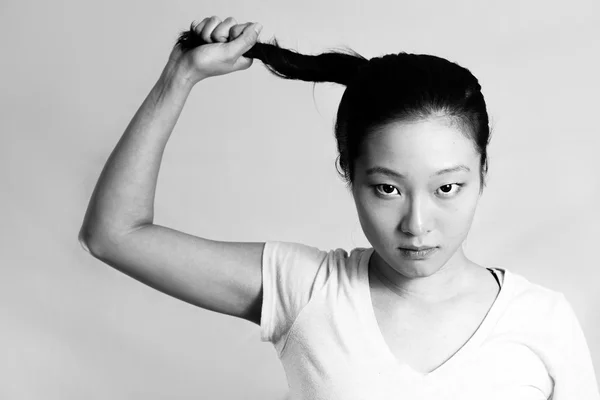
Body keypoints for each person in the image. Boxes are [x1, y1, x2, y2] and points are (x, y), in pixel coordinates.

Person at [78, 15, 600, 400]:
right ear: (348, 175)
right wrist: (179, 78)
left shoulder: (543, 320)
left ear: (482, 174)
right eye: (388, 189)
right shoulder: (306, 289)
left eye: (447, 188)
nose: (417, 225)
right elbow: (113, 234)